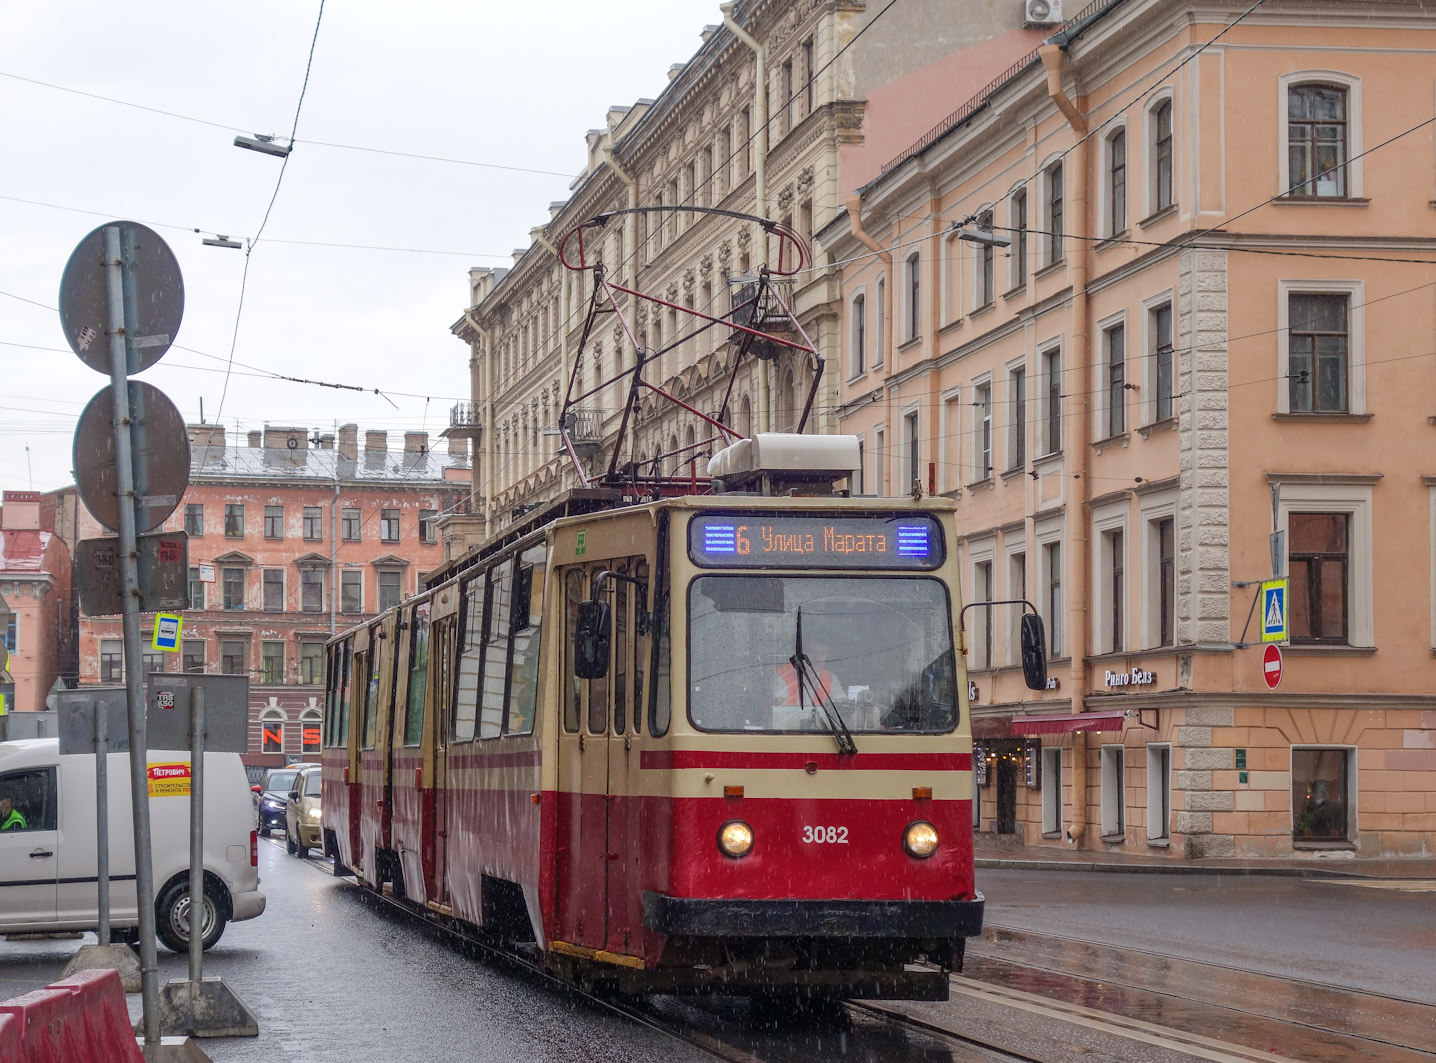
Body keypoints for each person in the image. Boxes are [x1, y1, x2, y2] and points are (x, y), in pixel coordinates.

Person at [773, 634, 845, 705]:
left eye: (822, 653)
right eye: (812, 652)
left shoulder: (830, 679)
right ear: (800, 655)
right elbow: (780, 709)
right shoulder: (782, 675)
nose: (817, 658)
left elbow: (842, 706)